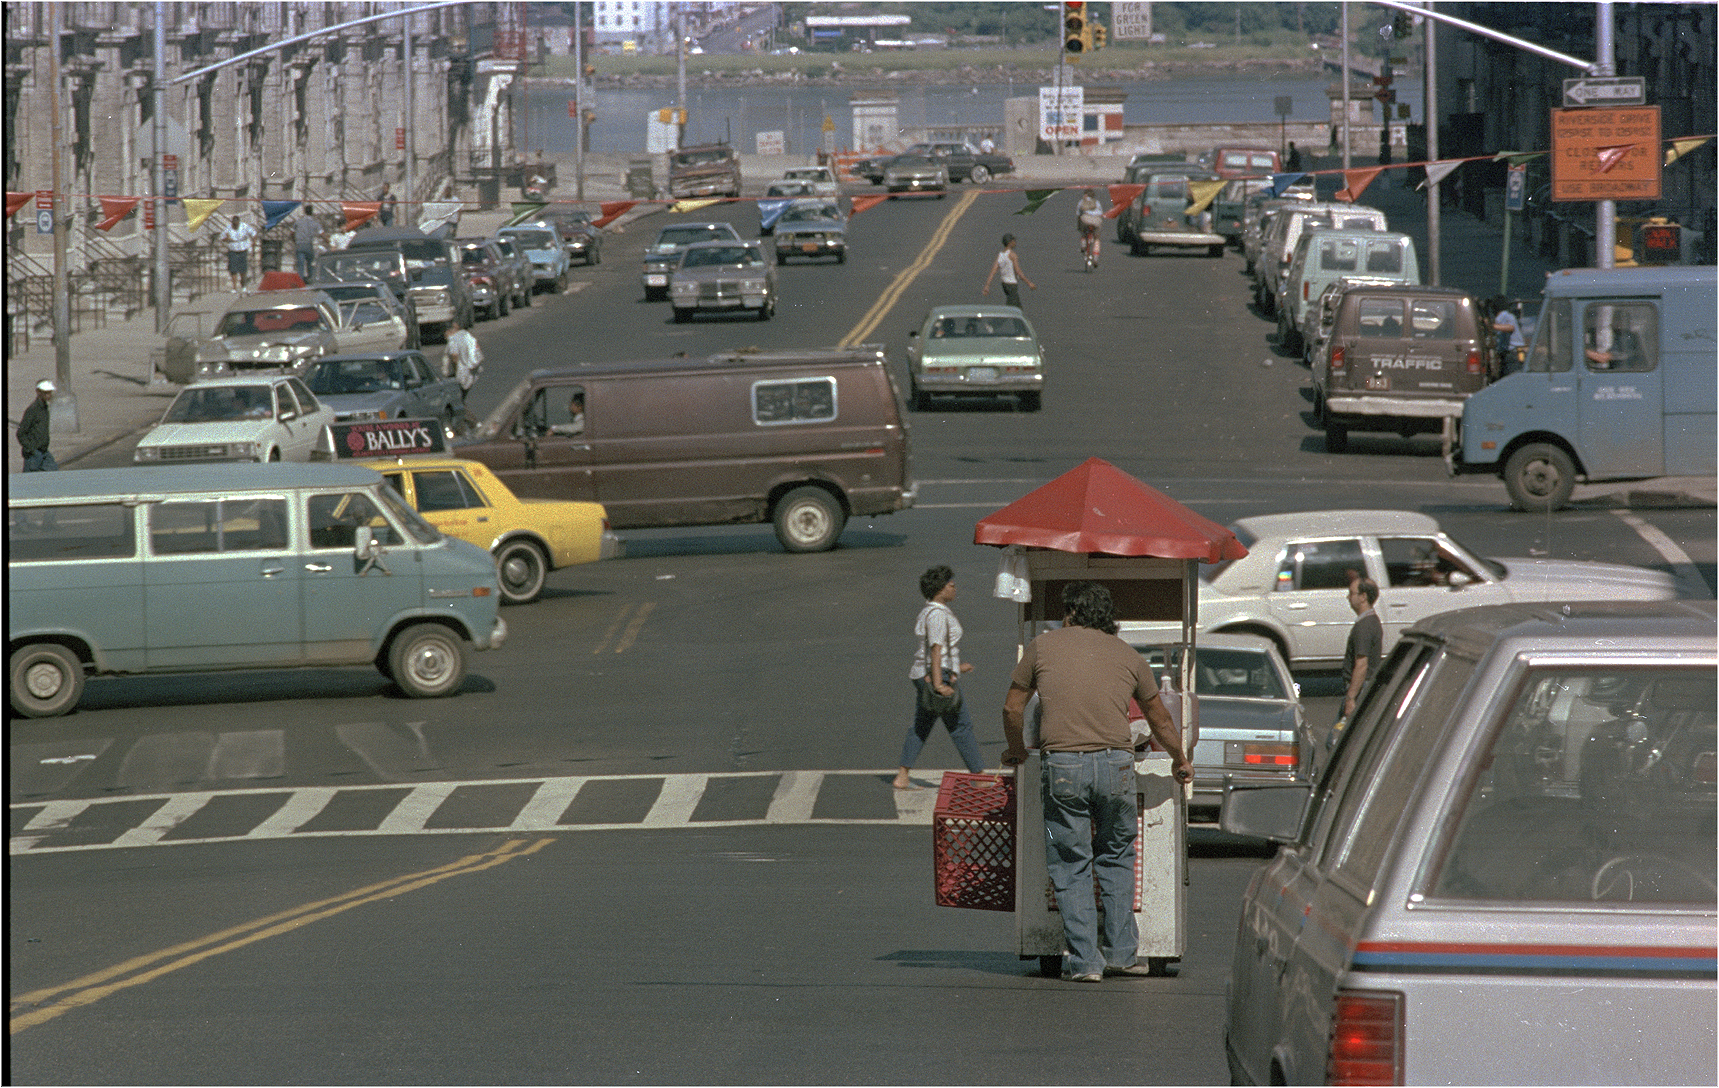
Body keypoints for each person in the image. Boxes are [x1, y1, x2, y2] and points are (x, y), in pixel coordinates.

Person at [1001, 582, 1194, 983]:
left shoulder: (1042, 646)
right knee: (1117, 856)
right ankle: (1123, 954)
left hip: (1063, 767)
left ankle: (1087, 963)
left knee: (1071, 864)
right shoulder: (1127, 655)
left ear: (1070, 612)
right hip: (1116, 766)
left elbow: (1012, 706)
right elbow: (1159, 719)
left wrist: (1016, 749)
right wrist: (1180, 759)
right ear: (1108, 616)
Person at [895, 566, 986, 790]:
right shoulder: (937, 615)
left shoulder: (930, 612)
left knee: (922, 725)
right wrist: (939, 684)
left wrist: (958, 666)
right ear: (939, 589)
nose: (955, 589)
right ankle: (979, 775)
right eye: (951, 585)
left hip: (932, 672)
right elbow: (935, 649)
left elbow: (938, 651)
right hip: (936, 676)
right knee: (960, 725)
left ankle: (902, 775)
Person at [1340, 577, 1383, 726]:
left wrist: (1351, 698)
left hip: (1359, 690)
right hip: (1363, 688)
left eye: (1352, 593)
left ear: (1363, 597)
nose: (1348, 597)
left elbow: (1362, 665)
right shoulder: (1372, 621)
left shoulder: (1364, 627)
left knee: (1335, 739)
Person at [981, 233, 1034, 309]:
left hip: (1005, 285)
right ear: (1010, 243)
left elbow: (993, 272)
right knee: (1010, 309)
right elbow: (1018, 272)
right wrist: (1029, 283)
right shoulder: (1012, 255)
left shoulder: (1000, 255)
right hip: (1011, 285)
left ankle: (1020, 320)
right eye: (1013, 241)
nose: (1015, 242)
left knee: (1018, 308)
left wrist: (987, 285)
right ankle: (998, 320)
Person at [18, 379, 58, 471]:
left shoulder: (44, 408)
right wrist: (32, 449)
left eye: (50, 392)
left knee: (55, 474)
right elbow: (20, 433)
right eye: (46, 393)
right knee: (29, 482)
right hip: (33, 455)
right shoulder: (33, 410)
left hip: (44, 451)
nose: (49, 395)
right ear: (38, 392)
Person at [445, 319, 483, 402]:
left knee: (457, 399)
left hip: (461, 373)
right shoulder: (468, 336)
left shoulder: (453, 340)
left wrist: (455, 372)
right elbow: (478, 354)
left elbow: (454, 357)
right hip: (472, 371)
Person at [218, 215, 257, 291]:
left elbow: (254, 233)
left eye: (237, 223)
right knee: (233, 269)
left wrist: (253, 242)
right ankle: (234, 287)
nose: (235, 225)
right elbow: (221, 237)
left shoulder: (244, 226)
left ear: (239, 222)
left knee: (243, 269)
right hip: (233, 250)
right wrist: (227, 238)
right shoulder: (228, 228)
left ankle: (243, 286)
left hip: (243, 249)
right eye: (234, 223)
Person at [1490, 296, 1524, 375]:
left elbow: (1511, 327)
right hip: (1507, 355)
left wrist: (1492, 326)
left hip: (1513, 354)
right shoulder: (1502, 318)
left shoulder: (1506, 316)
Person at [294, 205, 325, 281]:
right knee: (310, 263)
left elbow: (292, 232)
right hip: (308, 244)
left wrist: (294, 240)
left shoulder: (298, 221)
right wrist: (328, 240)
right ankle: (310, 279)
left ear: (304, 211)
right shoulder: (315, 222)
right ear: (312, 212)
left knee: (300, 263)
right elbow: (321, 233)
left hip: (299, 244)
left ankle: (300, 280)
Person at [1075, 189, 1104, 262]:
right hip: (1096, 221)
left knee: (1083, 232)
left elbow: (1078, 214)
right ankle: (1096, 257)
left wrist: (1079, 227)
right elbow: (1101, 213)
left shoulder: (1081, 202)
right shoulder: (1097, 202)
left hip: (1085, 219)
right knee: (1097, 238)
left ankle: (1083, 244)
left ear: (1085, 195)